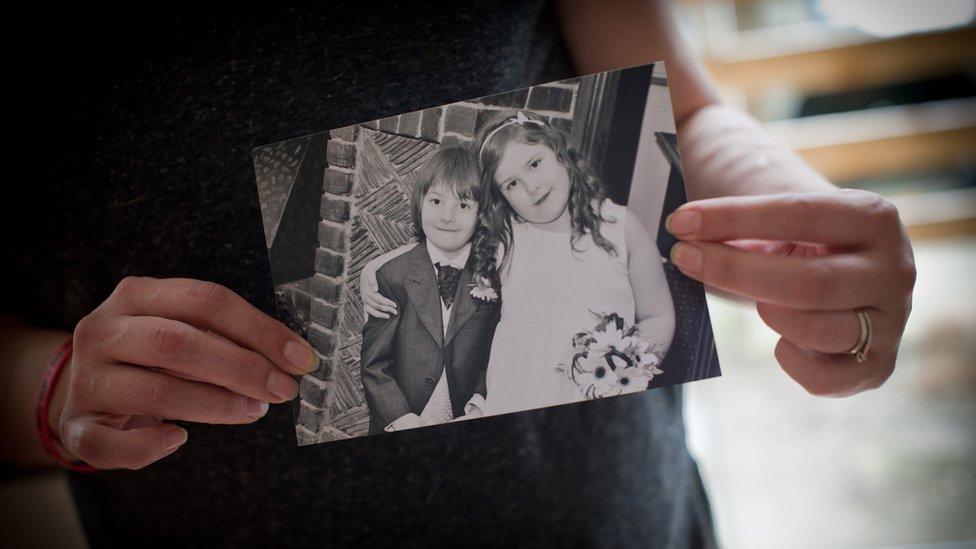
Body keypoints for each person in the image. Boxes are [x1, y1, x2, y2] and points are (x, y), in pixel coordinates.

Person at [1, 1, 916, 546]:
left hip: (626, 523)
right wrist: (47, 387)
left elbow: (690, 108)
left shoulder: (546, 240)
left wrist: (798, 231)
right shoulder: (408, 271)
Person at [361, 110, 675, 415]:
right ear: (501, 196)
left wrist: (624, 367)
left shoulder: (622, 227)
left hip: (594, 387)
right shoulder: (506, 237)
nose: (531, 186)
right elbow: (443, 245)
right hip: (514, 389)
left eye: (535, 164)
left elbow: (658, 315)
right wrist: (371, 270)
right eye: (511, 184)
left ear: (559, 152)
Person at [360, 147, 500, 433]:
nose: (447, 216)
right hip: (399, 423)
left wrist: (478, 404)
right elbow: (374, 365)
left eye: (463, 206)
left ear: (480, 215)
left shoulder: (493, 279)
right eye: (436, 201)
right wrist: (401, 419)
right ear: (420, 203)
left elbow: (490, 353)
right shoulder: (393, 276)